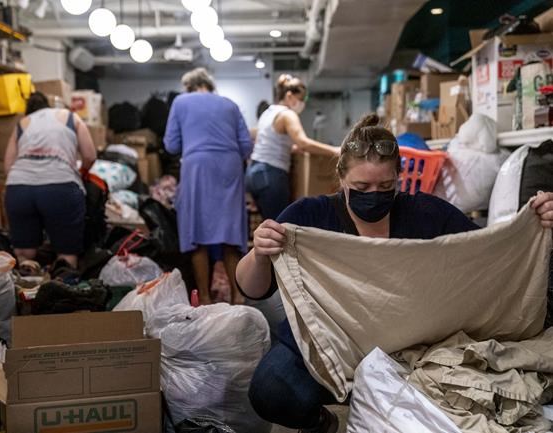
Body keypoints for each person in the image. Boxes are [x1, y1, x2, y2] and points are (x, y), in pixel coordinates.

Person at [236, 113, 553, 433]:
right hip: (329, 344)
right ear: (341, 178)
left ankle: (376, 397)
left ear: (399, 179)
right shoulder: (308, 216)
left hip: (412, 346)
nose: (374, 193)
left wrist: (532, 224)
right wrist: (260, 253)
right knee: (271, 390)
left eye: (385, 186)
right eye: (361, 186)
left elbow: (486, 252)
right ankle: (326, 422)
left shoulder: (428, 214)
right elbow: (253, 289)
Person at [164, 67, 253, 305]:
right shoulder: (229, 104)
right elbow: (246, 146)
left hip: (197, 167)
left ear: (189, 87)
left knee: (197, 233)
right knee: (231, 233)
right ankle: (238, 295)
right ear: (210, 86)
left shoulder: (181, 102)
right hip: (229, 167)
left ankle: (204, 297)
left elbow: (171, 145)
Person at [4, 92, 96, 273]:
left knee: (25, 251)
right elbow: (90, 155)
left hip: (20, 188)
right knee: (66, 252)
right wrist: (80, 172)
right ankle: (63, 283)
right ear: (49, 106)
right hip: (60, 186)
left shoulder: (21, 124)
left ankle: (27, 286)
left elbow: (8, 166)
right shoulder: (71, 117)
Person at [246, 74, 340, 221]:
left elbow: (267, 141)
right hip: (271, 175)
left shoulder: (268, 112)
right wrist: (335, 151)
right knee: (280, 227)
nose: (302, 104)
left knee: (270, 224)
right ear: (289, 95)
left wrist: (291, 148)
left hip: (254, 173)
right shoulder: (287, 114)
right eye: (301, 99)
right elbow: (304, 142)